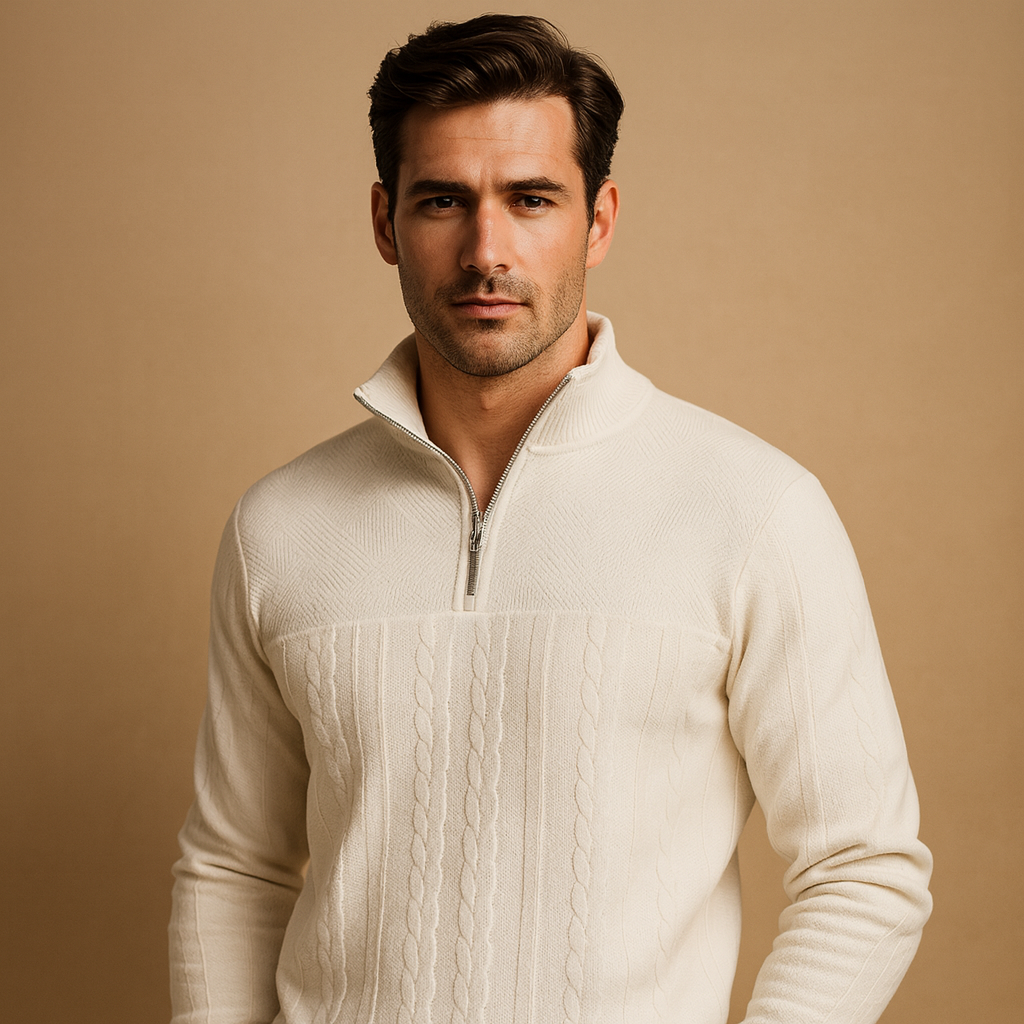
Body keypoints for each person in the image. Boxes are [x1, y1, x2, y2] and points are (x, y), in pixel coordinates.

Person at [170, 14, 931, 1024]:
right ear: (386, 222)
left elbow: (862, 867)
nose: (486, 251)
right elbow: (236, 866)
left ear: (598, 220)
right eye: (443, 200)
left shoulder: (754, 512)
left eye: (531, 199)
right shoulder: (279, 528)